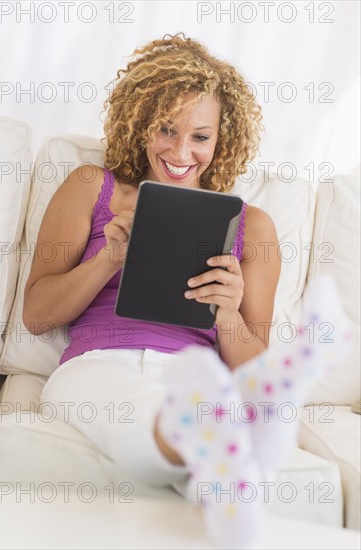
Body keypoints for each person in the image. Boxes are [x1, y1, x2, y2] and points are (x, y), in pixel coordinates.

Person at [22, 34, 350, 549]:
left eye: (200, 136)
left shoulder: (253, 227)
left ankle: (223, 442)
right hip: (98, 363)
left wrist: (226, 315)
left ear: (223, 139)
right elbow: (36, 315)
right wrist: (108, 257)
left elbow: (249, 357)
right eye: (166, 130)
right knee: (134, 406)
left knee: (191, 397)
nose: (180, 152)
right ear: (139, 123)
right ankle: (232, 434)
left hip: (196, 370)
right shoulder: (93, 186)